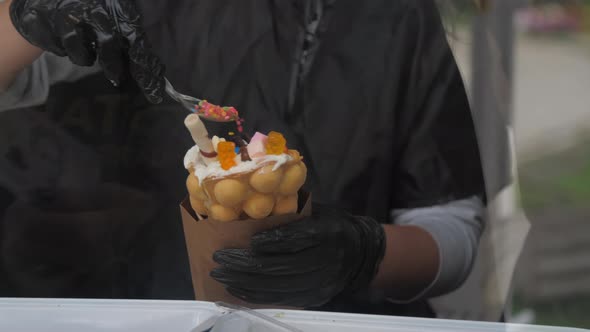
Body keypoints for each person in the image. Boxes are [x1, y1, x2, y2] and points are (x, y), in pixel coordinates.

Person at [0, 0, 485, 316]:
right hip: (120, 309)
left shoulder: (398, 18)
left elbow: (453, 228)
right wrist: (30, 16)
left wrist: (365, 253)